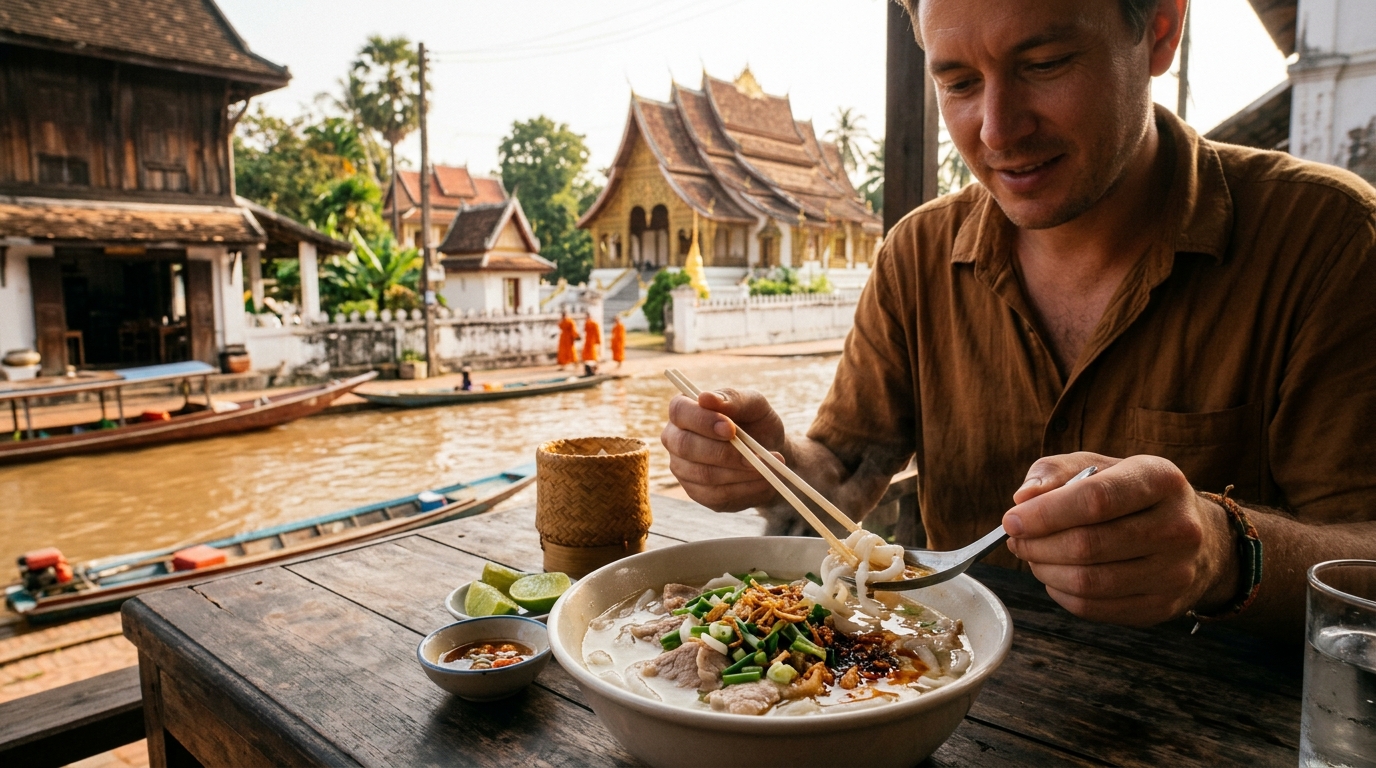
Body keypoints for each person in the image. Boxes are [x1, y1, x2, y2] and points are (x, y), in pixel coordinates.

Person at [661, 0, 1376, 639]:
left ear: (1160, 30)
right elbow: (848, 472)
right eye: (959, 83)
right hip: (944, 699)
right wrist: (769, 461)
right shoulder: (919, 254)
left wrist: (1225, 554)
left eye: (1045, 62)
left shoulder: (1327, 240)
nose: (997, 131)